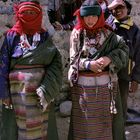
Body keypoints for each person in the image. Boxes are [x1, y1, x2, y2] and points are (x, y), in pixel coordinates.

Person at [0, 1, 62, 140]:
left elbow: (55, 62)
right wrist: (4, 94)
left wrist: (48, 88)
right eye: (25, 13)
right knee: (19, 127)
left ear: (39, 15)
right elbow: (3, 66)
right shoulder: (11, 37)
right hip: (18, 95)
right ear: (18, 15)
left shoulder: (44, 37)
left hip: (41, 93)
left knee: (42, 128)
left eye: (32, 13)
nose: (29, 16)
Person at [68, 0, 129, 140]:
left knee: (106, 123)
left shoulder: (109, 34)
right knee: (84, 125)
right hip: (83, 90)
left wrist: (110, 58)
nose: (90, 20)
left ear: (99, 16)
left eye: (94, 16)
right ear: (81, 17)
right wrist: (89, 65)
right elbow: (73, 60)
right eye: (87, 16)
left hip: (106, 88)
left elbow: (124, 50)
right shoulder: (77, 34)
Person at [108, 0, 140, 123]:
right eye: (114, 9)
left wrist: (136, 79)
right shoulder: (109, 26)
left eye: (121, 7)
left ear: (128, 9)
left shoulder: (135, 31)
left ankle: (120, 127)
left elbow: (139, 57)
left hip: (124, 73)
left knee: (121, 100)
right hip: (107, 71)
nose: (118, 11)